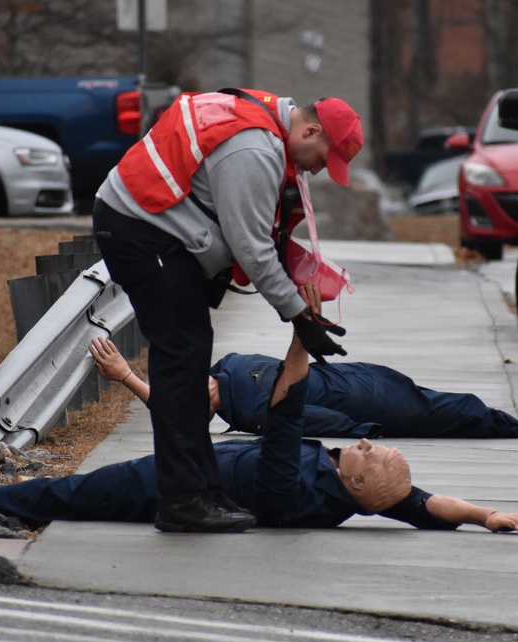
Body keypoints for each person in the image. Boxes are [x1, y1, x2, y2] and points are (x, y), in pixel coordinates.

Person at [0, 335, 518, 536]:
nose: (368, 442)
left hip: (170, 483)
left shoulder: (289, 484)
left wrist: (301, 336)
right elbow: (428, 507)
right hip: (198, 467)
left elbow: (287, 405)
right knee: (77, 489)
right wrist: (488, 516)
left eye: (370, 453)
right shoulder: (353, 493)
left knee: (81, 495)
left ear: (355, 481)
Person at [92, 88, 363, 533]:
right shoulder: (255, 149)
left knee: (192, 354)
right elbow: (252, 250)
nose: (318, 170)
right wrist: (299, 317)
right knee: (181, 358)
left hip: (152, 226)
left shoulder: (264, 121)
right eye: (322, 158)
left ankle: (202, 488)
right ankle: (182, 499)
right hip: (142, 229)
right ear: (311, 130)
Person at [88, 337, 518, 440]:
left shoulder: (224, 368)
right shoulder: (254, 410)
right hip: (363, 399)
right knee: (444, 412)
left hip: (355, 376)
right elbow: (319, 420)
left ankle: (501, 422)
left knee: (430, 400)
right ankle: (511, 427)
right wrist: (127, 378)